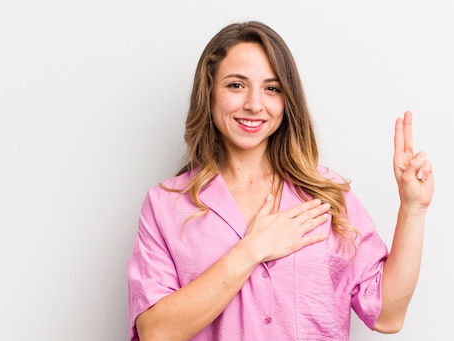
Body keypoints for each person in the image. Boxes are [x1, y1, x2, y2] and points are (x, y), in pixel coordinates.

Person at [127, 20, 433, 341]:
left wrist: (413, 208)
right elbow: (155, 333)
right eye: (236, 85)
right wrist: (251, 250)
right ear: (209, 92)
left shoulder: (325, 196)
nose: (254, 104)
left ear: (286, 102)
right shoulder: (165, 205)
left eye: (271, 88)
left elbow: (388, 315)